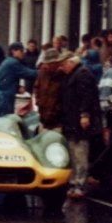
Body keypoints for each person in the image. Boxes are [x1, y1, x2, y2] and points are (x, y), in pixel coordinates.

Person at [60, 53, 103, 198]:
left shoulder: (82, 75)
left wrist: (85, 115)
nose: (62, 67)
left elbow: (86, 97)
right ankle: (75, 183)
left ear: (71, 62)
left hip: (78, 122)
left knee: (80, 153)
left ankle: (79, 183)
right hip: (73, 121)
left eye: (64, 64)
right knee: (75, 152)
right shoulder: (75, 75)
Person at [0, 42, 39, 116]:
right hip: (6, 97)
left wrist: (17, 87)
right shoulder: (13, 63)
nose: (23, 53)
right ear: (13, 51)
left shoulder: (7, 61)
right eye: (21, 51)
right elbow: (27, 73)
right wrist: (43, 72)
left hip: (2, 95)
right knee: (6, 119)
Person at [33, 48, 69, 131]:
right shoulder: (42, 72)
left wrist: (58, 110)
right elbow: (36, 88)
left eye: (50, 63)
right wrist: (38, 102)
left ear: (56, 63)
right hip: (43, 117)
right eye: (47, 63)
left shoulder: (63, 75)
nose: (47, 66)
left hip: (58, 120)